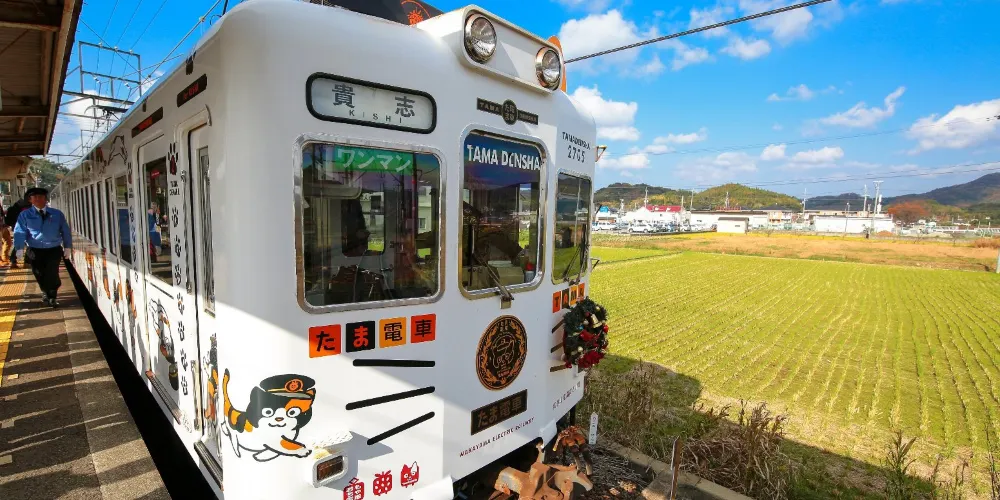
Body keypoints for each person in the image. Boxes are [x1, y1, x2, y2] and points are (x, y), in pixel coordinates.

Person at [13, 187, 73, 307]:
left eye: (40, 197)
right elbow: (19, 231)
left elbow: (65, 230)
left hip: (53, 249)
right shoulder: (25, 215)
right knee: (38, 273)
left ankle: (52, 296)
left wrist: (67, 246)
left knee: (52, 272)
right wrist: (19, 248)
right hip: (34, 250)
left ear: (46, 199)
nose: (38, 199)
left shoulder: (57, 214)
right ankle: (45, 292)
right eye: (34, 197)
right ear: (30, 200)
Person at [4, 194, 32, 268]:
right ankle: (27, 262)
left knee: (19, 244)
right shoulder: (28, 207)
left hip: (17, 228)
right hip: (26, 228)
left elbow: (9, 220)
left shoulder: (14, 207)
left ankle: (13, 261)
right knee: (29, 244)